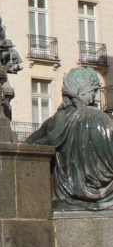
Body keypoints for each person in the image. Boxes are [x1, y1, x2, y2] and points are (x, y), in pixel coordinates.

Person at [28, 66, 113, 210]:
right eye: (92, 91)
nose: (94, 96)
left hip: (65, 196)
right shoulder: (101, 118)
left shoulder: (54, 120)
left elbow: (27, 146)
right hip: (104, 195)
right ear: (82, 91)